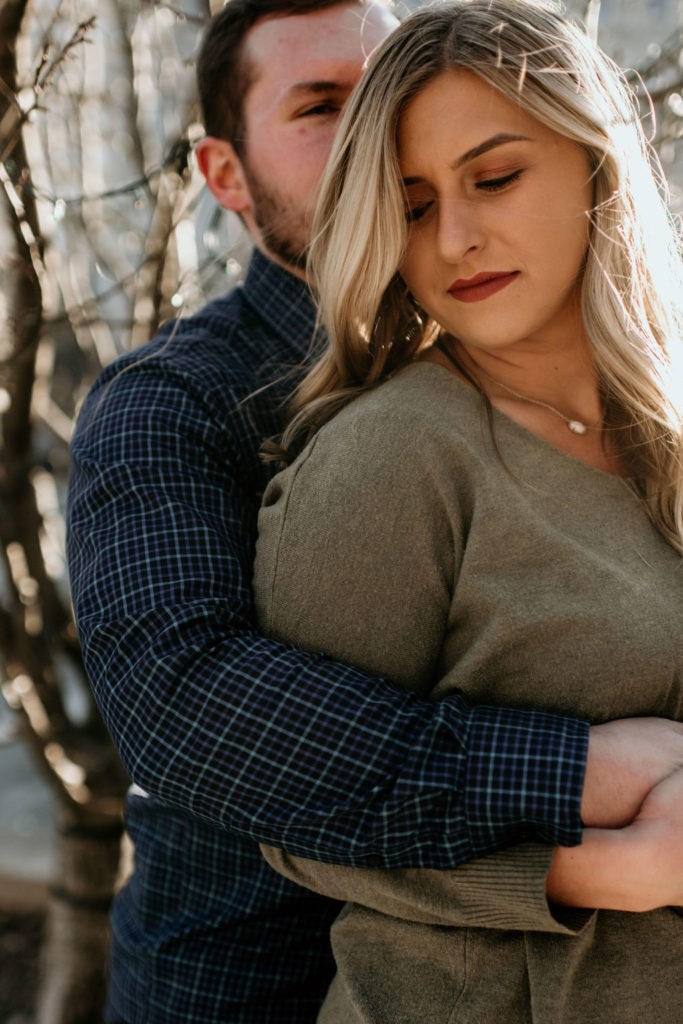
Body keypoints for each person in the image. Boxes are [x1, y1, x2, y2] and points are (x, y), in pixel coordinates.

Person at [65, 1, 683, 1022]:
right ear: (222, 174)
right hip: (247, 981)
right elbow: (188, 706)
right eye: (323, 109)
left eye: (383, 84)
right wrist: (586, 786)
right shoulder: (184, 400)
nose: (374, 127)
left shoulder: (594, 393)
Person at [252, 1, 683, 1021]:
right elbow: (296, 811)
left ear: (593, 164)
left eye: (494, 177)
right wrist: (589, 869)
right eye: (408, 204)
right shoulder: (390, 457)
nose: (454, 237)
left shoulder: (667, 426)